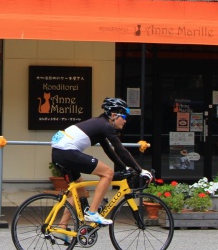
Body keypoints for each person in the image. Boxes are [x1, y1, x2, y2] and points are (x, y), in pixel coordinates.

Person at [51, 97, 152, 229]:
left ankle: (62, 226)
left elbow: (109, 151)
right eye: (124, 116)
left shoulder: (99, 124)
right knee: (107, 173)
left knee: (79, 190)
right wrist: (140, 170)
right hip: (67, 152)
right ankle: (92, 212)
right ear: (114, 115)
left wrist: (124, 167)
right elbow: (121, 150)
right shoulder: (105, 126)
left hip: (58, 153)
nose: (125, 120)